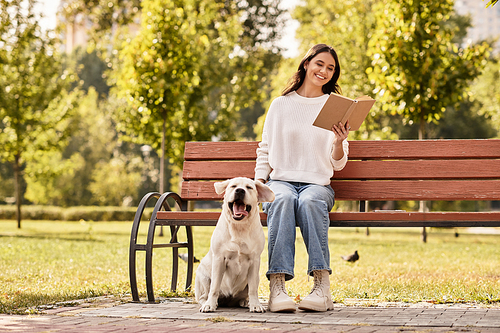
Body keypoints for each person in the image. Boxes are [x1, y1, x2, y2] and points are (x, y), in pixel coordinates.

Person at [254, 44, 350, 312]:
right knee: (282, 198)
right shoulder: (281, 105)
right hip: (281, 181)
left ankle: (322, 287)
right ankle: (277, 287)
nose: (324, 71)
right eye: (320, 64)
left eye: (331, 68)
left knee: (309, 202)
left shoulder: (335, 107)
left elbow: (338, 164)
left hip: (317, 185)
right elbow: (265, 149)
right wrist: (259, 181)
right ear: (307, 64)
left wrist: (339, 142)